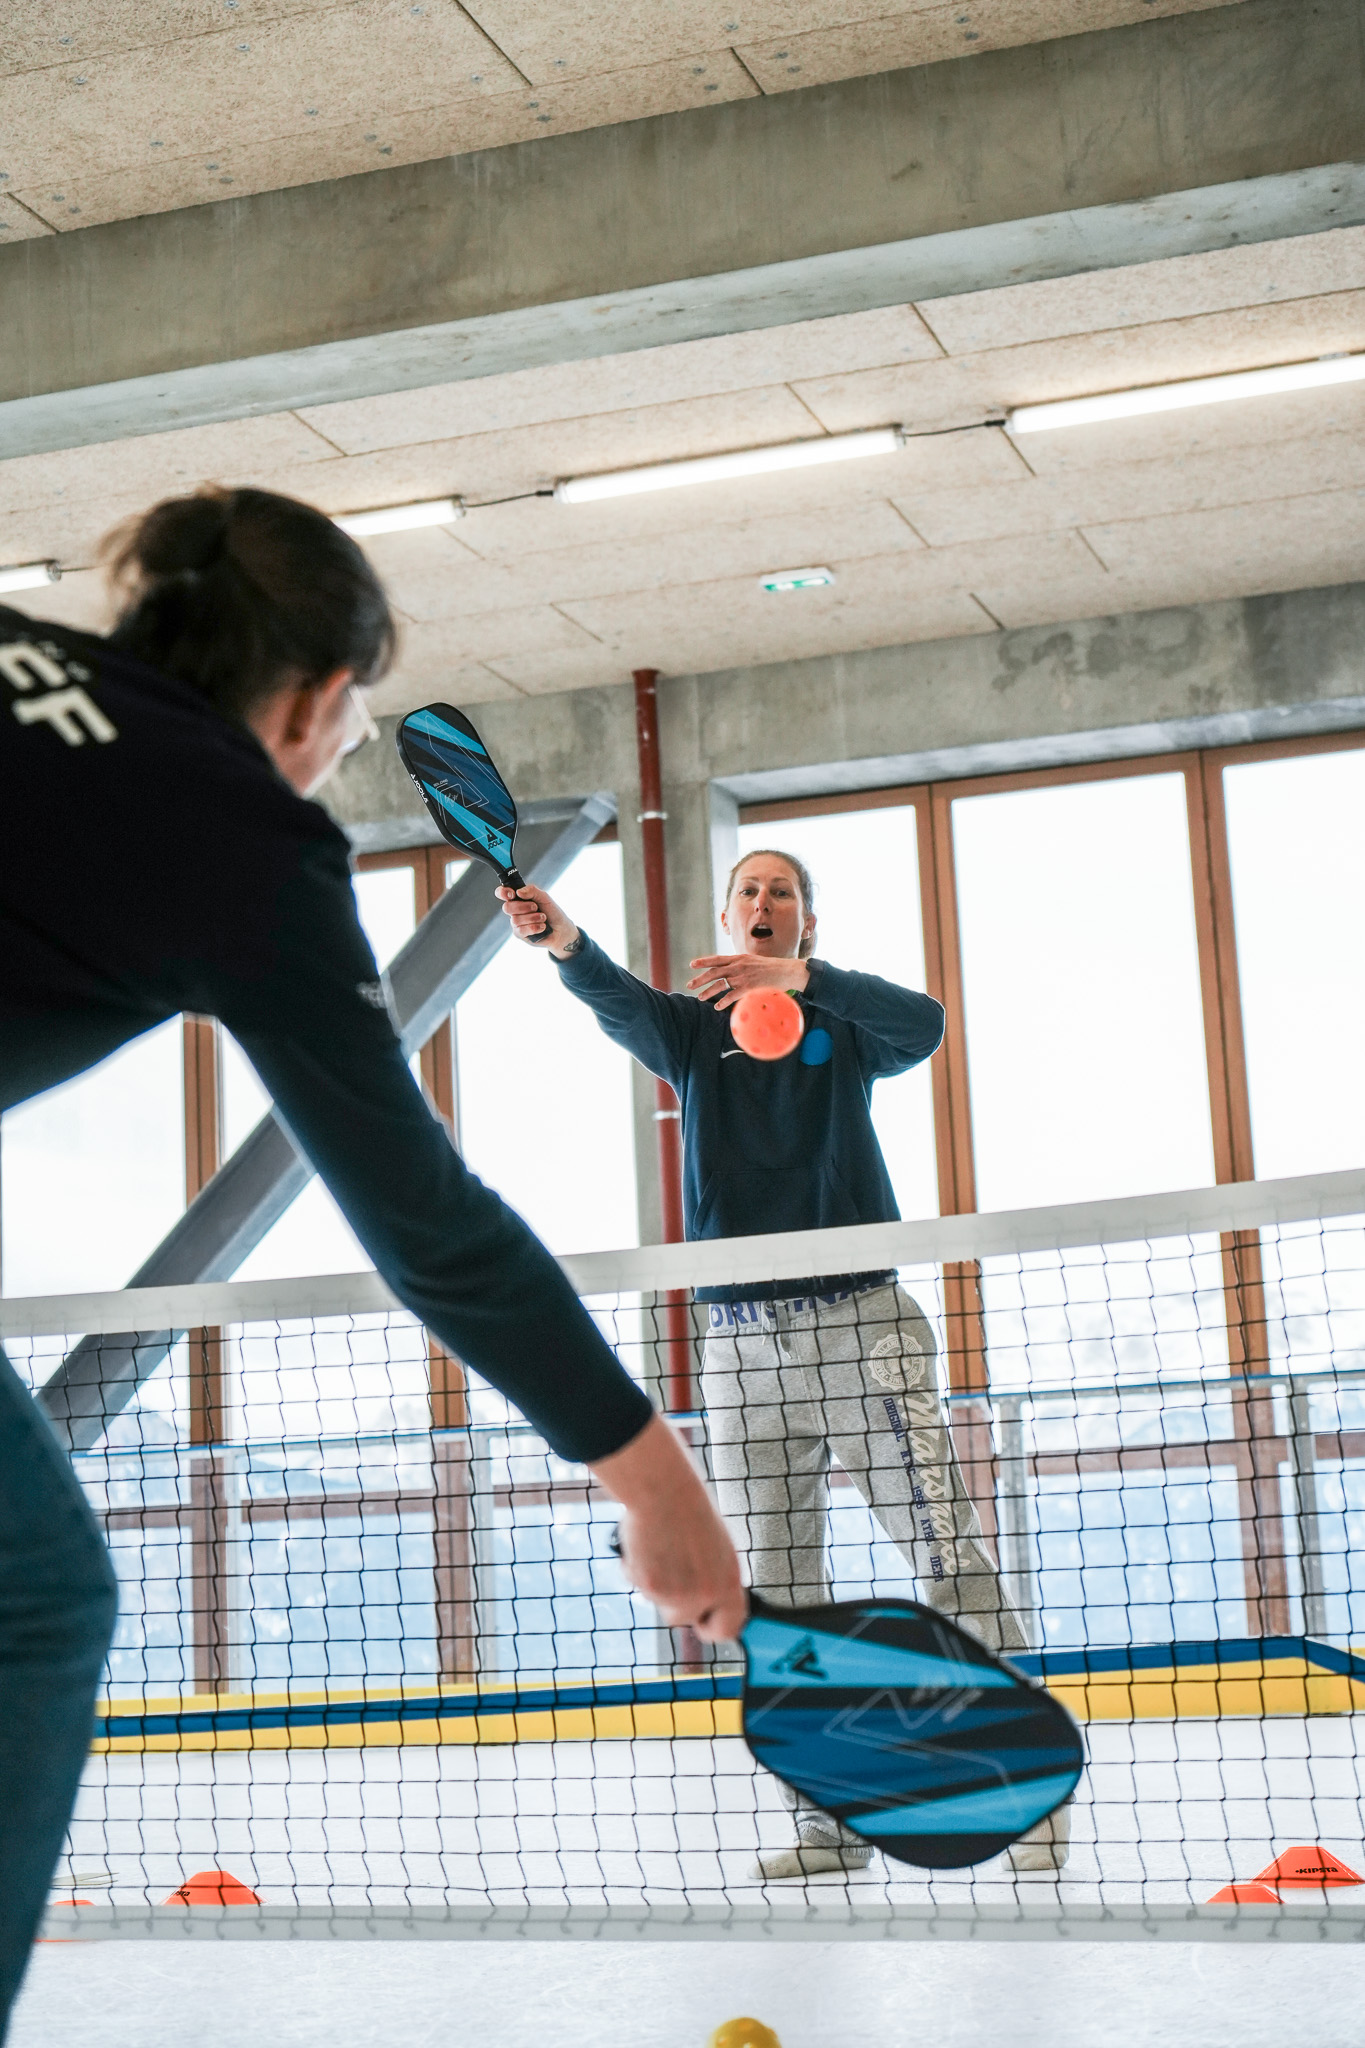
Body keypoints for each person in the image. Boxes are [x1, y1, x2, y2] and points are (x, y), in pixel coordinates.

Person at [0, 485, 743, 2032]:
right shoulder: (246, 839)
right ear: (321, 700)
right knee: (37, 1598)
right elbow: (428, 1223)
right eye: (351, 722)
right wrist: (656, 1483)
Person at [500, 849, 1068, 1880]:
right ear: (727, 916)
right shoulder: (686, 1029)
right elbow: (610, 996)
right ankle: (828, 1823)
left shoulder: (847, 1022)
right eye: (749, 892)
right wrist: (562, 940)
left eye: (783, 894)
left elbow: (927, 1025)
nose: (764, 904)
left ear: (804, 923)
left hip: (862, 1329)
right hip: (740, 1352)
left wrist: (804, 983)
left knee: (945, 1555)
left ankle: (1021, 1797)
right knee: (783, 1594)